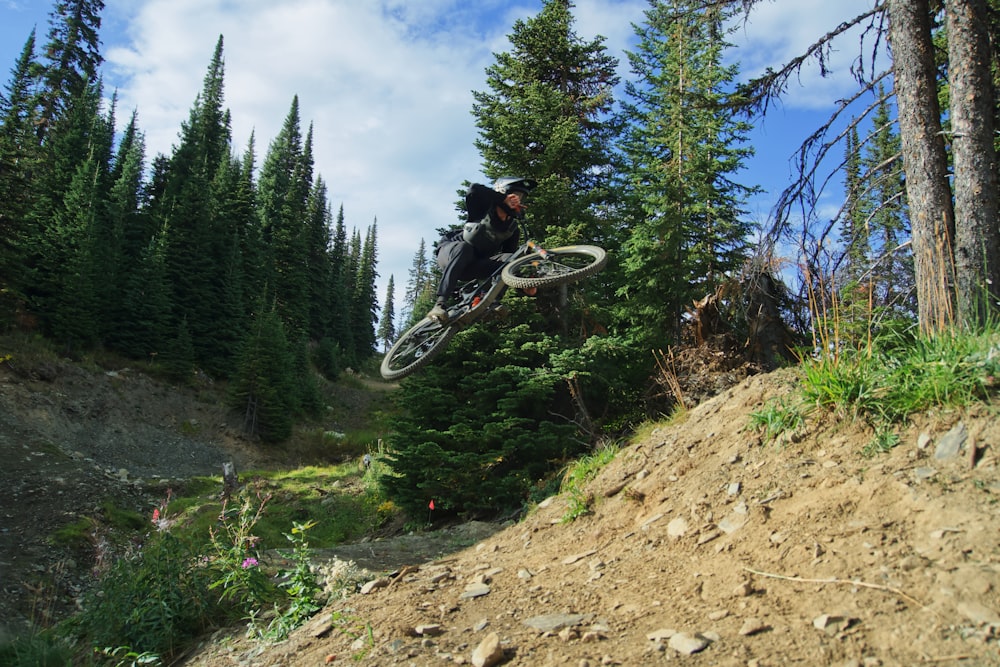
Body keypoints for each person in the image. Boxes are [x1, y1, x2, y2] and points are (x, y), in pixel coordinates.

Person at [427, 176, 537, 324]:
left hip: (473, 266)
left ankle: (490, 301)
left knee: (510, 260)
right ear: (503, 193)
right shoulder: (483, 208)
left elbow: (508, 265)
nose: (517, 200)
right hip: (450, 254)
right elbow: (474, 189)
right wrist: (501, 199)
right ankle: (440, 304)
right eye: (514, 195)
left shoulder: (512, 229)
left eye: (521, 197)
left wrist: (524, 287)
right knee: (464, 248)